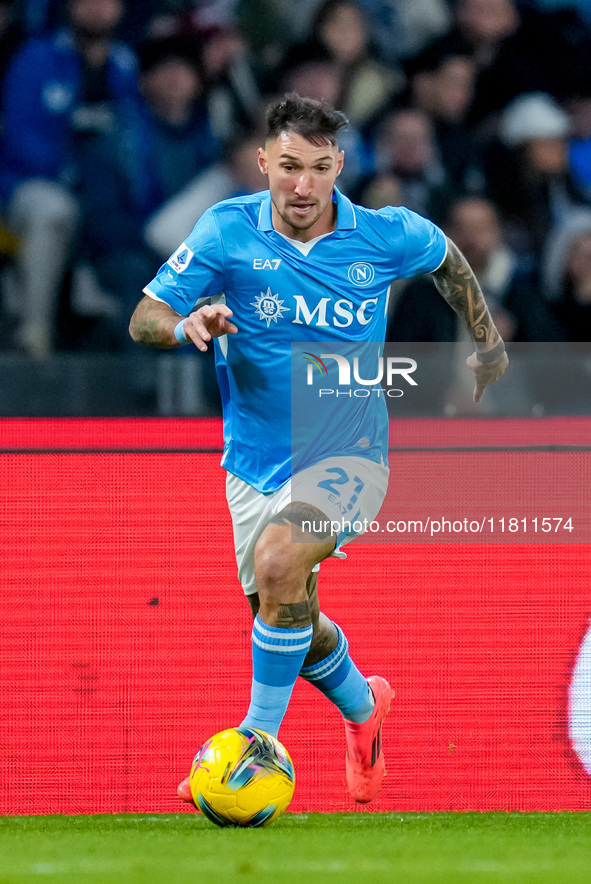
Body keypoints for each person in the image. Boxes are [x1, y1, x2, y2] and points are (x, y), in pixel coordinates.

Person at [129, 94, 508, 804]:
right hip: (250, 459)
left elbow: (449, 260)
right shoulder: (224, 232)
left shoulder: (384, 235)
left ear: (339, 167)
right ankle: (365, 709)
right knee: (284, 613)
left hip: (349, 454)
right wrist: (187, 325)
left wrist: (486, 342)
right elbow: (144, 318)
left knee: (279, 565)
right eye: (288, 166)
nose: (301, 185)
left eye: (318, 168)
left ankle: (252, 746)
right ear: (263, 162)